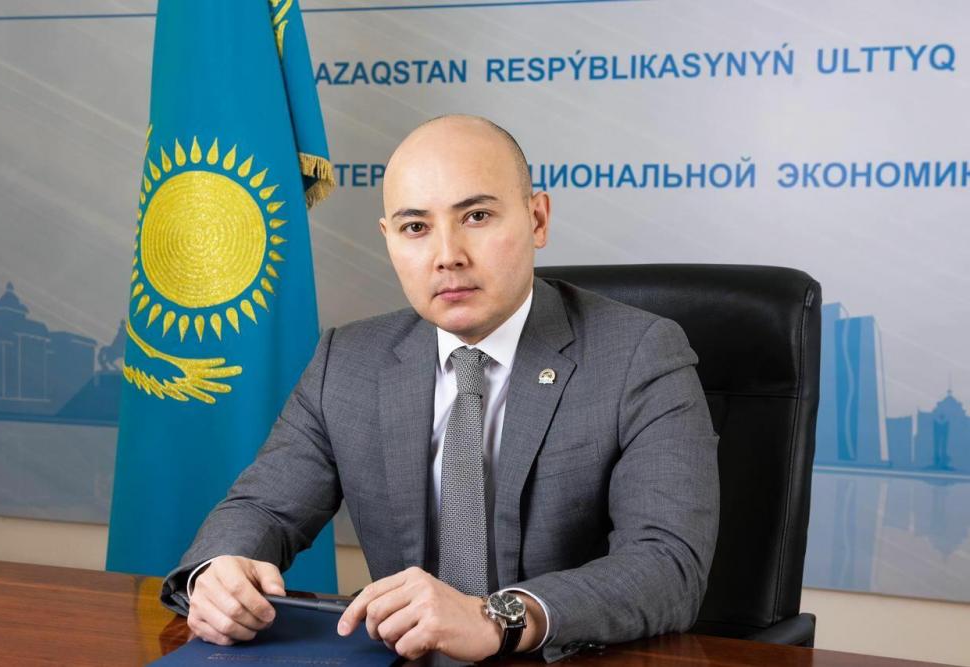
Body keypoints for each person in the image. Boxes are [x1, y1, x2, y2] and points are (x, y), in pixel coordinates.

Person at [160, 114, 720, 662]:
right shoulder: (348, 361)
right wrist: (217, 573)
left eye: (476, 216)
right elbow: (264, 506)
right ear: (389, 240)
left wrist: (496, 618)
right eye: (416, 228)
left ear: (537, 219)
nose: (448, 255)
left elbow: (668, 565)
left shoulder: (639, 355)